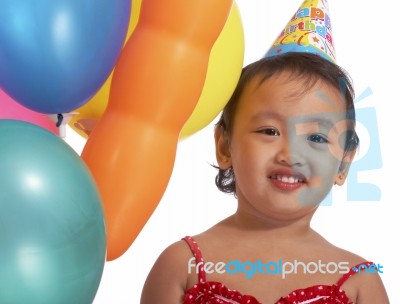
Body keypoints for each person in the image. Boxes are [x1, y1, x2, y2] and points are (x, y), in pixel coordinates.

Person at [140, 52, 389, 303]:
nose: (291, 154)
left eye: (316, 138)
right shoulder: (182, 266)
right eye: (270, 131)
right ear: (225, 147)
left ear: (343, 164)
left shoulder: (360, 282)